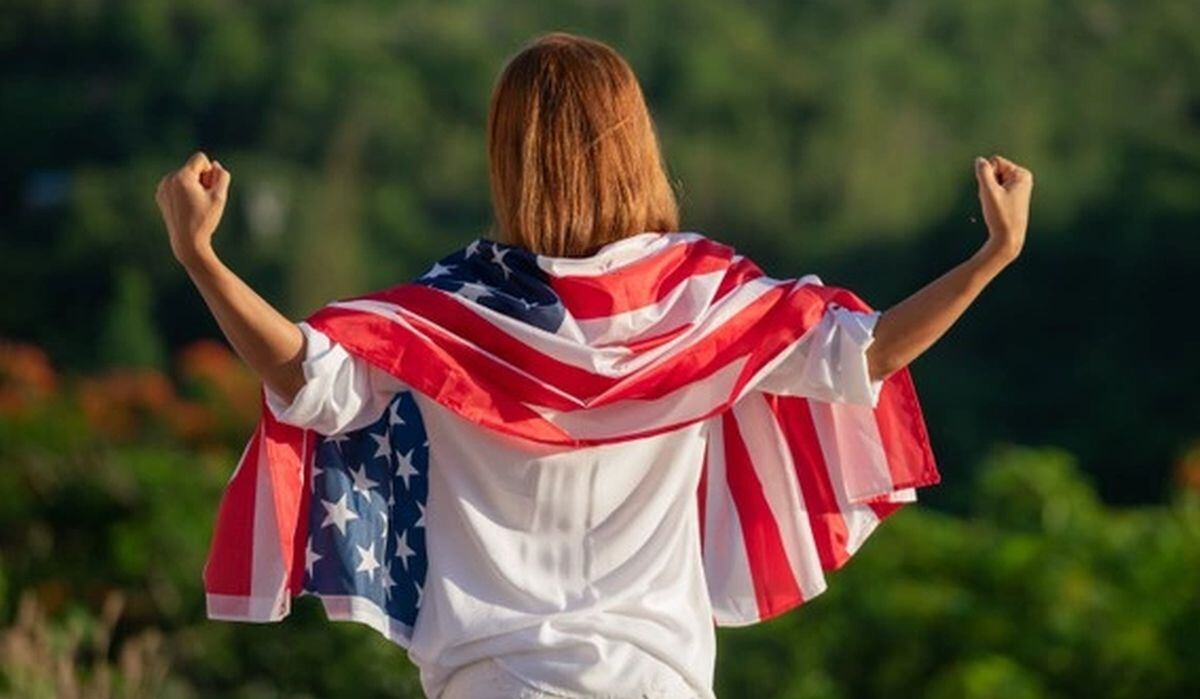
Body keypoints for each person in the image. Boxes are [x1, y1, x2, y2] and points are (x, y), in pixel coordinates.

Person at [156, 32, 1032, 699]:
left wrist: (203, 258)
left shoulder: (451, 314)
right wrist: (992, 255)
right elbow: (866, 350)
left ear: (506, 156)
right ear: (635, 144)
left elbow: (305, 377)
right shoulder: (704, 303)